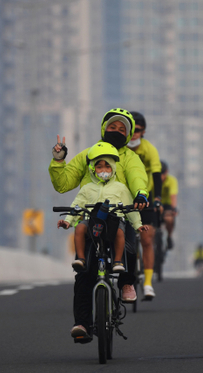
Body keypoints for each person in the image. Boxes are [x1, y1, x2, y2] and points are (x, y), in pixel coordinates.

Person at [49, 108, 149, 303]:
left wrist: (141, 195)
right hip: (91, 217)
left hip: (120, 215)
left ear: (128, 135)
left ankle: (127, 283)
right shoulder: (87, 155)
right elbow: (63, 184)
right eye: (112, 127)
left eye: (122, 129)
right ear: (104, 129)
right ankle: (83, 324)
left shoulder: (130, 158)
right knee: (84, 273)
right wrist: (58, 160)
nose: (117, 131)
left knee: (129, 245)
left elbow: (137, 177)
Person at [57, 142, 148, 340]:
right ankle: (82, 323)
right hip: (92, 228)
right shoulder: (87, 188)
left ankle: (118, 264)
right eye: (99, 166)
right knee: (83, 275)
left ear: (114, 167)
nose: (104, 170)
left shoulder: (122, 188)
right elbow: (76, 207)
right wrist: (67, 221)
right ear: (92, 168)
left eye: (107, 166)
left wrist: (137, 224)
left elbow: (131, 209)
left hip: (114, 227)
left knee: (123, 240)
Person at [127, 111, 162, 300]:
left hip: (145, 199)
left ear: (143, 132)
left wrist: (157, 199)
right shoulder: (120, 149)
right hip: (124, 198)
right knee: (126, 241)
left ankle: (148, 283)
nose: (133, 134)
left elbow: (157, 176)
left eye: (137, 130)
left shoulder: (149, 149)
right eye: (130, 130)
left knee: (147, 240)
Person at [160, 160, 179, 250]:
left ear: (166, 172)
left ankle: (169, 236)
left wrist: (174, 208)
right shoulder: (151, 179)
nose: (160, 177)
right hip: (154, 203)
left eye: (162, 174)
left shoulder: (172, 181)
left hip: (167, 205)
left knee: (169, 219)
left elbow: (173, 196)